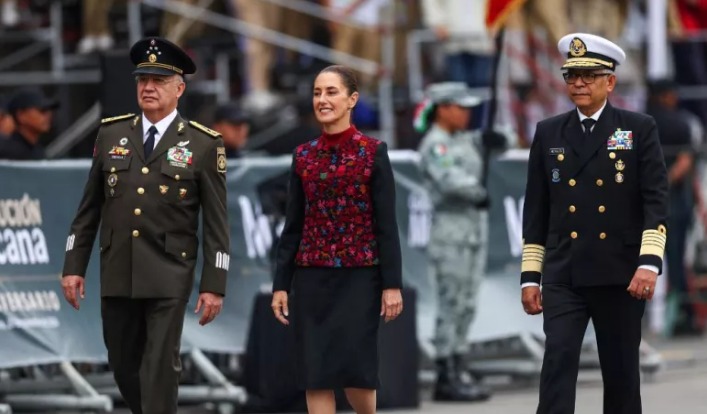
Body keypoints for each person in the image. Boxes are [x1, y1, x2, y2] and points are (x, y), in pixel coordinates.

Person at [61, 37, 230, 414]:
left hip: (170, 270)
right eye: (142, 80)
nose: (148, 87)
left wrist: (214, 285)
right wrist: (74, 265)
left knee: (159, 363)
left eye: (158, 80)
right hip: (118, 266)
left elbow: (218, 222)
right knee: (123, 363)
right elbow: (89, 208)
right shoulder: (110, 134)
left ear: (179, 89)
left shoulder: (204, 144)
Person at [521, 33, 668, 414]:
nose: (579, 84)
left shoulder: (637, 127)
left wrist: (648, 264)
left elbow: (655, 201)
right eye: (572, 76)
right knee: (557, 360)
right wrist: (530, 276)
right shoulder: (549, 131)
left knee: (620, 374)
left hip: (620, 273)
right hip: (564, 271)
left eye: (589, 75)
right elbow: (537, 209)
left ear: (610, 81)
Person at [270, 65, 403, 414]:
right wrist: (281, 284)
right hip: (311, 275)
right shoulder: (303, 155)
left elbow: (386, 224)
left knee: (355, 372)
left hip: (360, 275)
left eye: (331, 92)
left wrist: (392, 285)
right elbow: (293, 225)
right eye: (317, 93)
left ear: (352, 99)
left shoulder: (373, 152)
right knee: (315, 372)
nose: (323, 99)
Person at [415, 81, 508, 402]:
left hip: (473, 233)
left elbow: (501, 143)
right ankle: (445, 373)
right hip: (451, 233)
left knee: (467, 304)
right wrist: (478, 192)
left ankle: (460, 364)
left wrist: (496, 137)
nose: (467, 113)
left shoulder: (465, 139)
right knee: (451, 303)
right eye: (461, 107)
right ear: (444, 109)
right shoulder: (435, 144)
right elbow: (450, 180)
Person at [645, 79, 700, 336]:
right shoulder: (680, 123)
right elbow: (685, 163)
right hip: (675, 202)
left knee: (643, 258)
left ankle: (654, 317)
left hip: (644, 203)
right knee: (676, 260)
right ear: (668, 96)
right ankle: (680, 316)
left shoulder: (637, 122)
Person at [0, 87, 58, 160]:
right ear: (21, 115)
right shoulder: (8, 152)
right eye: (42, 110)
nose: (48, 116)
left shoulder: (37, 150)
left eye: (49, 111)